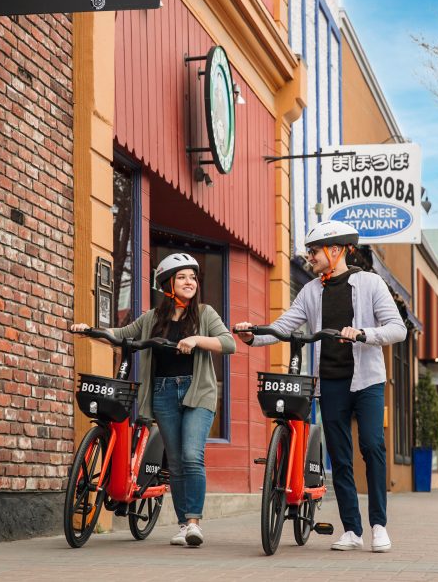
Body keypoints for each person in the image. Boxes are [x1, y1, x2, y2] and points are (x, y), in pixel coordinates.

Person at [234, 220, 406, 553]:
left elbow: (397, 329)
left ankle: (378, 526)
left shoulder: (369, 283)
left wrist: (365, 334)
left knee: (372, 447)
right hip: (331, 382)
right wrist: (253, 336)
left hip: (368, 381)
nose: (309, 257)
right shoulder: (312, 290)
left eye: (314, 251)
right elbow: (284, 327)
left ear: (336, 250)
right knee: (340, 458)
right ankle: (353, 530)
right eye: (310, 252)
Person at [72, 252, 235, 548]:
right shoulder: (152, 318)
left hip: (197, 392)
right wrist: (90, 332)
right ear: (167, 284)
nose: (190, 282)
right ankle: (184, 524)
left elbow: (228, 343)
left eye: (193, 277)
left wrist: (197, 340)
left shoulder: (205, 314)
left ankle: (195, 522)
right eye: (182, 277)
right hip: (162, 392)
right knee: (174, 462)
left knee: (190, 455)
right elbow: (121, 335)